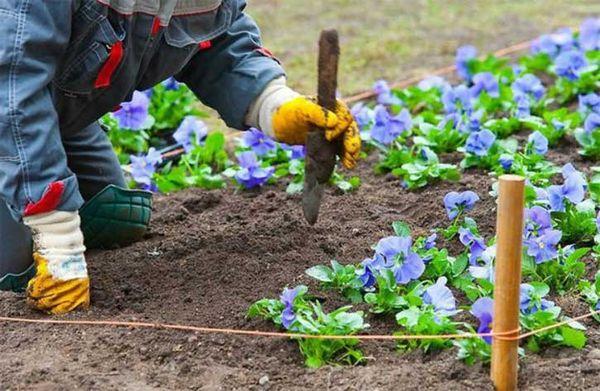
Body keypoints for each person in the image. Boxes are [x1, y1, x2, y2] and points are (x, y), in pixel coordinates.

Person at [0, 0, 361, 314]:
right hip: (12, 105)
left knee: (114, 215)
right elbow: (13, 88)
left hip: (58, 110)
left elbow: (220, 42)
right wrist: (58, 235)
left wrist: (275, 105)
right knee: (14, 267)